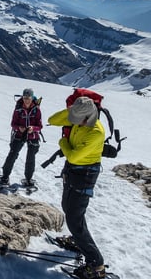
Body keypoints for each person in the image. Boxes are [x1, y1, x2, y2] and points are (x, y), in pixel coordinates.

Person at [48, 96, 106, 279]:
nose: (73, 122)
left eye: (76, 118)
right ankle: (78, 240)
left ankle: (96, 264)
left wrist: (62, 142)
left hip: (85, 174)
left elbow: (73, 156)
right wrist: (73, 111)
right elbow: (52, 120)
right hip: (72, 172)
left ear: (88, 117)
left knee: (74, 217)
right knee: (69, 209)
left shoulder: (95, 132)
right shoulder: (80, 118)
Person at [0, 88, 43, 186]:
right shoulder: (18, 108)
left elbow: (40, 126)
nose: (26, 100)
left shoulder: (36, 110)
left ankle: (28, 178)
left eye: (28, 98)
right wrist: (19, 128)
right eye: (25, 98)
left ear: (32, 98)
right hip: (20, 134)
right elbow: (13, 123)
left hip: (32, 135)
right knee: (12, 155)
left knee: (30, 157)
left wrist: (32, 128)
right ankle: (5, 176)